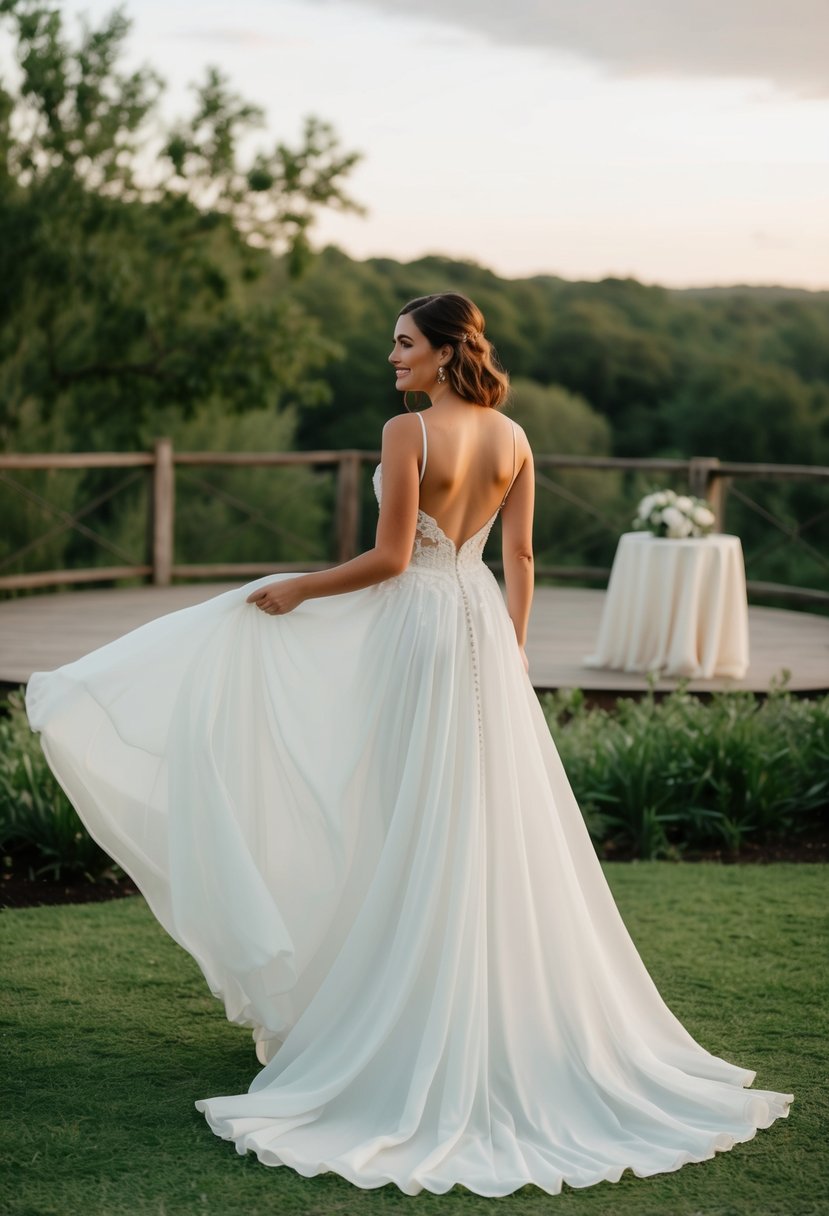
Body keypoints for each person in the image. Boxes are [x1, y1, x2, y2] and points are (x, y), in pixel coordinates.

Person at [26, 292, 792, 1198]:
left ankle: (407, 1021)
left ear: (440, 353)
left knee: (402, 813)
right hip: (477, 624)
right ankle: (470, 1008)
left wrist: (301, 590)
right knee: (471, 820)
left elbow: (391, 560)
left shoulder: (408, 434)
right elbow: (525, 559)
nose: (391, 359)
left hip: (417, 629)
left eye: (402, 345)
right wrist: (508, 652)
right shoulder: (513, 439)